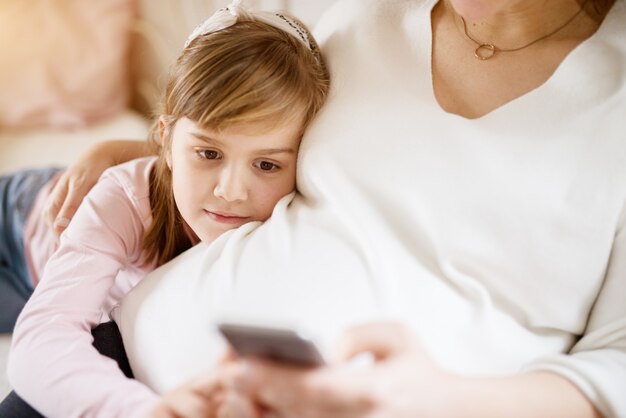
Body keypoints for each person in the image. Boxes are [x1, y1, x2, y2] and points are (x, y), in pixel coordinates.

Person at [36, 0, 626, 416]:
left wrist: (437, 400)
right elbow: (246, 129)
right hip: (126, 362)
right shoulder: (362, 19)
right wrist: (149, 154)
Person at [2, 3, 329, 416]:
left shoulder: (296, 223)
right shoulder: (125, 199)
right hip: (19, 219)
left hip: (37, 285)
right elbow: (39, 342)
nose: (230, 191)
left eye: (266, 164)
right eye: (208, 153)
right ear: (166, 139)